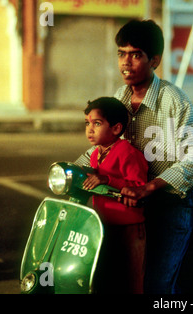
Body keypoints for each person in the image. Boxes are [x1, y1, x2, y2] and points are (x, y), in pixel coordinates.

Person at [75, 19, 193, 294]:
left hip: (172, 203)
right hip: (129, 205)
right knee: (119, 280)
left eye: (136, 55)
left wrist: (150, 186)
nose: (126, 62)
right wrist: (71, 169)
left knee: (156, 286)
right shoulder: (118, 98)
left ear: (154, 60)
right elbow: (105, 145)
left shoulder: (175, 100)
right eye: (121, 54)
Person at [82, 97, 149, 294]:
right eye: (87, 123)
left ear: (116, 128)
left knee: (131, 281)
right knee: (107, 279)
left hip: (128, 228)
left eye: (97, 123)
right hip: (103, 225)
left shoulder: (127, 152)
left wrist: (107, 180)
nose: (90, 129)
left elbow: (139, 187)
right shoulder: (96, 154)